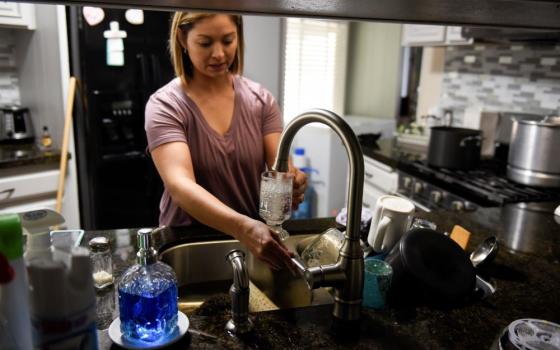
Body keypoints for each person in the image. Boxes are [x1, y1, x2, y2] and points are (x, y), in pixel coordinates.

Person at [145, 12, 307, 271]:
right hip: (190, 243)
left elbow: (281, 166)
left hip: (253, 242)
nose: (219, 54)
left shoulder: (261, 100)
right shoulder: (165, 105)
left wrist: (292, 181)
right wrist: (243, 227)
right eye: (206, 43)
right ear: (182, 39)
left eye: (228, 40)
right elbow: (180, 186)